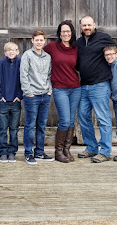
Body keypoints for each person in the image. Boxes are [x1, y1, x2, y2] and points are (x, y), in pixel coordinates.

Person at [77, 15, 117, 163]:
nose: (87, 27)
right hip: (84, 85)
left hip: (100, 85)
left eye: (89, 25)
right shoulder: (79, 42)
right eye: (84, 25)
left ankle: (105, 151)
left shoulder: (103, 37)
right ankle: (91, 147)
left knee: (103, 118)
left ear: (94, 24)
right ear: (81, 27)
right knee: (83, 116)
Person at [44, 20, 81, 163]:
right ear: (60, 33)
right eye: (63, 31)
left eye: (68, 31)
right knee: (65, 120)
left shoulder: (76, 48)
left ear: (71, 33)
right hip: (60, 88)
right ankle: (58, 151)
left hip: (75, 88)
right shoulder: (53, 47)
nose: (65, 33)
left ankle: (66, 149)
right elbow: (38, 52)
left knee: (71, 120)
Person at [20, 29, 54, 165]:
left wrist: (49, 90)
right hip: (32, 96)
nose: (39, 42)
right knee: (30, 125)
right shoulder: (27, 55)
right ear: (32, 40)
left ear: (44, 41)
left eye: (41, 40)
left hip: (45, 95)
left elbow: (50, 75)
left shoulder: (47, 57)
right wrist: (28, 92)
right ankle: (28, 153)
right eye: (37, 40)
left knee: (41, 125)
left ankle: (39, 152)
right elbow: (23, 75)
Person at [0, 42, 22, 163]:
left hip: (16, 101)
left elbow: (24, 79)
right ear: (5, 53)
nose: (11, 52)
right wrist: (0, 96)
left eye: (14, 50)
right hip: (4, 101)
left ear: (18, 52)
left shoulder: (20, 62)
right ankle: (3, 151)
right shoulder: (2, 63)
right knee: (3, 128)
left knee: (14, 129)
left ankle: (12, 151)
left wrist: (20, 96)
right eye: (9, 50)